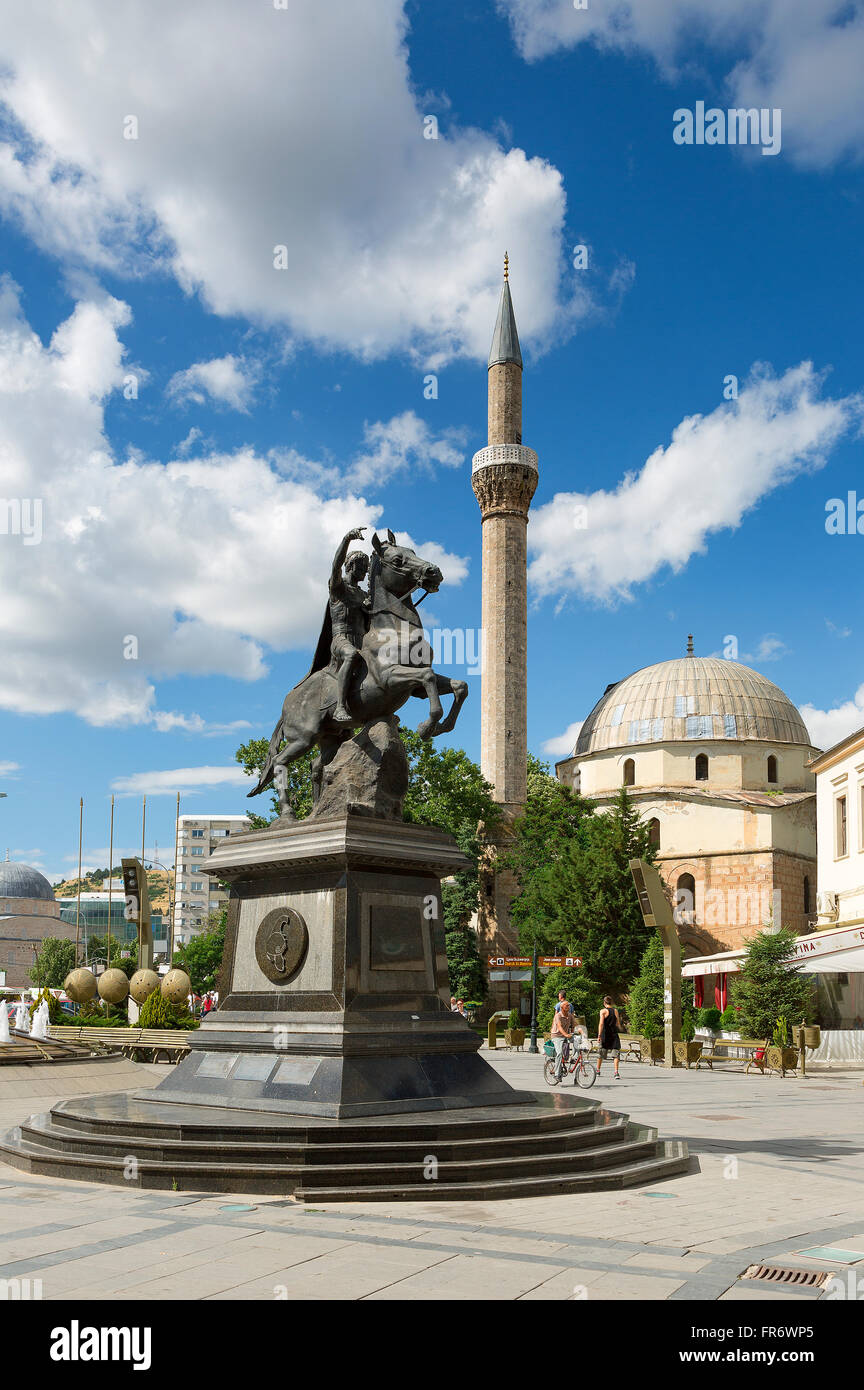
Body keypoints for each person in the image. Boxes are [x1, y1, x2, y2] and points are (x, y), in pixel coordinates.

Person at [328, 527, 371, 724]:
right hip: (341, 639)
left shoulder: (364, 595)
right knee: (351, 655)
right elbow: (336, 566)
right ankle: (339, 707)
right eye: (362, 568)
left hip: (361, 640)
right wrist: (346, 539)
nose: (364, 573)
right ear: (351, 566)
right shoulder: (338, 587)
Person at [597, 995, 622, 1079]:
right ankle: (616, 1072)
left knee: (601, 1053)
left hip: (605, 1035)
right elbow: (618, 1024)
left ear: (604, 1003)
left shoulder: (603, 1011)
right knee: (616, 1054)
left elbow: (601, 1024)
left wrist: (599, 1035)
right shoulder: (615, 1011)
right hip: (614, 1035)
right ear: (611, 1002)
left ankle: (598, 1070)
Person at [551, 998, 575, 1080]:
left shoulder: (570, 1015)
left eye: (569, 1005)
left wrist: (574, 1032)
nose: (569, 1006)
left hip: (566, 1035)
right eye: (567, 1005)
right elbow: (559, 1027)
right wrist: (566, 1034)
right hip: (557, 1036)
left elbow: (574, 1024)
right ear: (562, 1008)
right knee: (559, 1053)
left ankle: (575, 1057)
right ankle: (557, 1074)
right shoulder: (558, 1016)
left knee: (578, 1041)